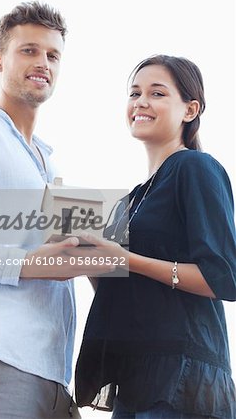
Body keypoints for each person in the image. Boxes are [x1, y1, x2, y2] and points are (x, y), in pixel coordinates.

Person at [0, 1, 112, 419]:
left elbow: (83, 265)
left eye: (53, 55)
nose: (43, 63)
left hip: (54, 377)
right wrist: (27, 263)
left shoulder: (52, 167)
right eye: (29, 50)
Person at [72, 55, 236, 418]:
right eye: (134, 93)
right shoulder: (128, 201)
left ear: (190, 109)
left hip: (184, 378)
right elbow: (125, 291)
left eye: (157, 93)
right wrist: (91, 262)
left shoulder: (196, 168)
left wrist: (125, 259)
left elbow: (223, 278)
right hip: (136, 378)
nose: (140, 102)